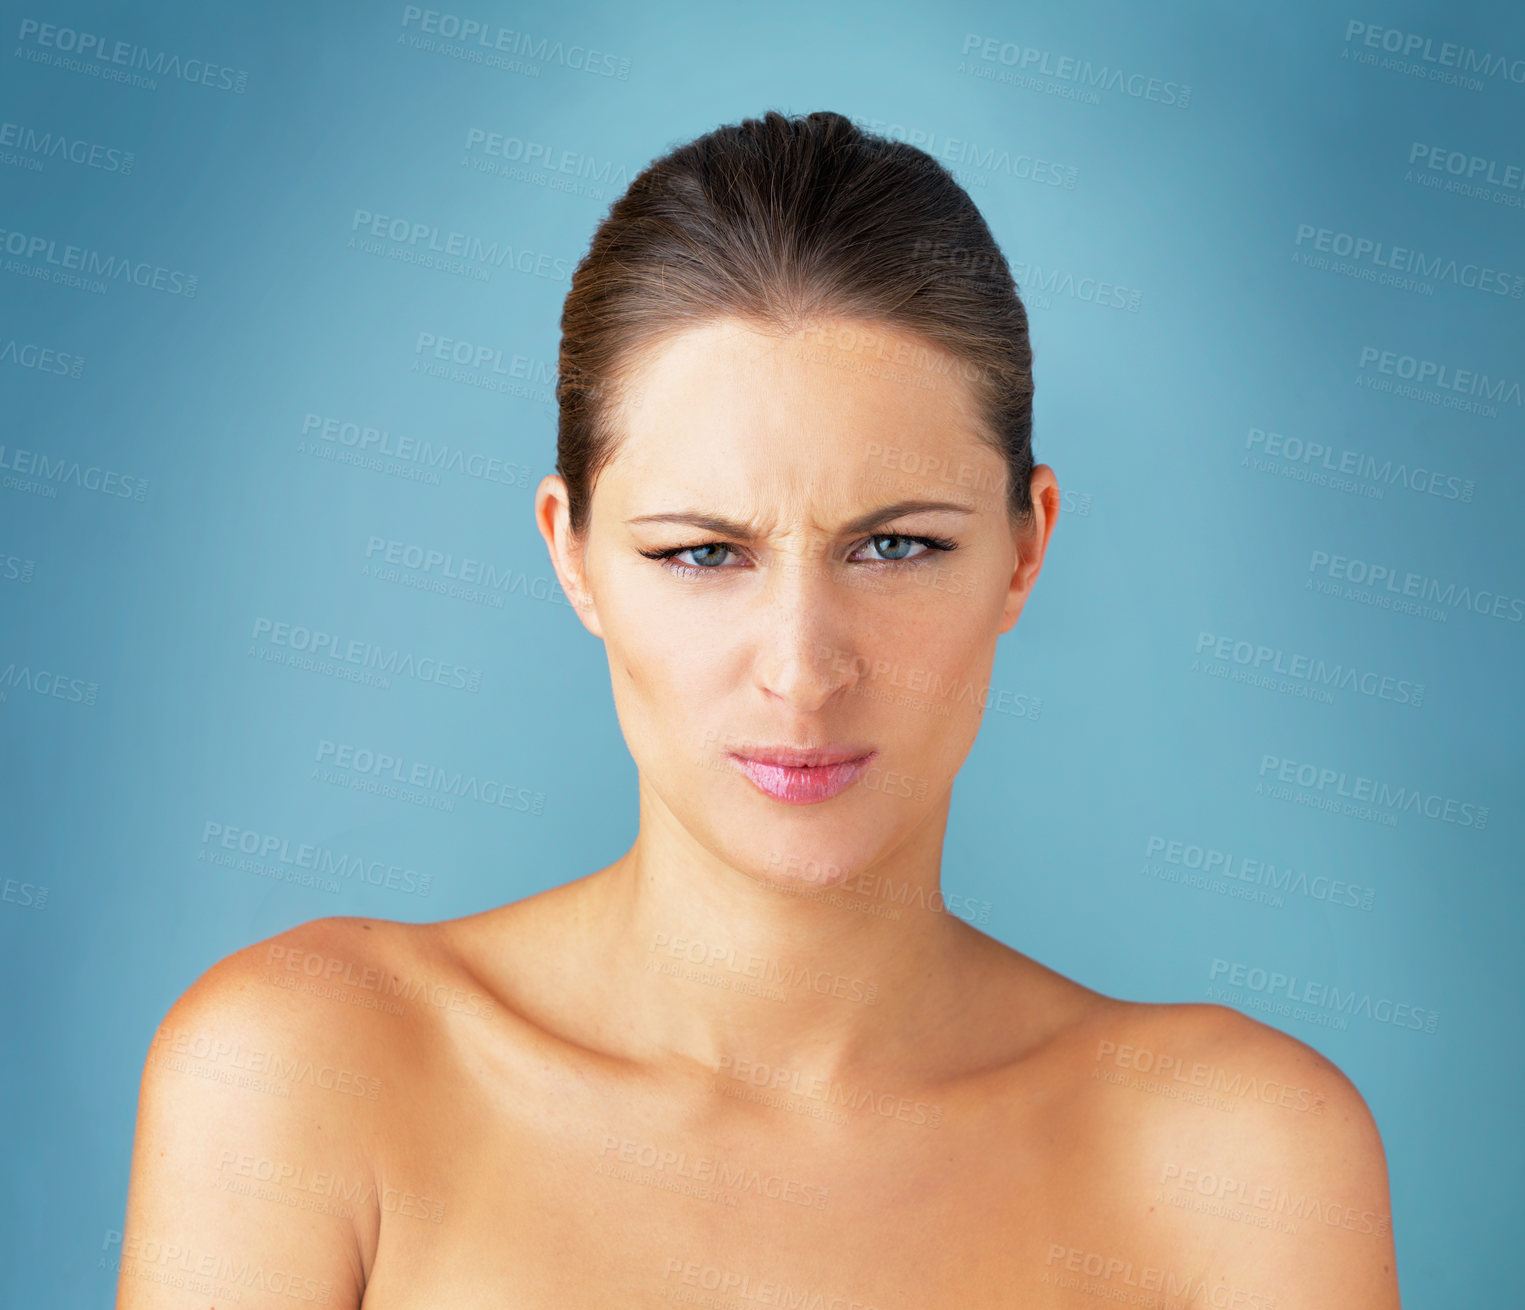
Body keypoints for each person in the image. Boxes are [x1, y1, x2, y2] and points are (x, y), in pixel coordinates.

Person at [118, 109, 1400, 1308]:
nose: (801, 666)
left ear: (1024, 547)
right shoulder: (303, 1076)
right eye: (700, 553)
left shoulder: (1240, 1155)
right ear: (571, 554)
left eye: (894, 546)